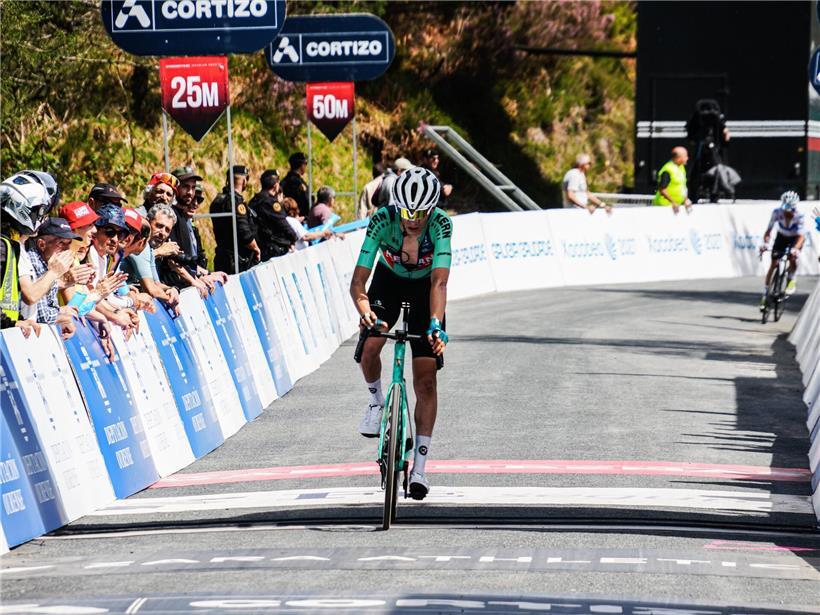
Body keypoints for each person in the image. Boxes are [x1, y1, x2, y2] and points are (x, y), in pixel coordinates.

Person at [349, 167, 452, 501]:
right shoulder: (382, 219)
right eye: (407, 212)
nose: (412, 220)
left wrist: (435, 325)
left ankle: (419, 469)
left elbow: (439, 281)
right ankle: (377, 401)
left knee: (425, 380)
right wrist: (365, 313)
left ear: (431, 209)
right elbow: (358, 282)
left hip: (425, 288)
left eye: (420, 213)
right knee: (371, 346)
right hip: (389, 282)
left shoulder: (441, 225)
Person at [163, 167, 220, 296]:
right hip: (175, 289)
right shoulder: (169, 215)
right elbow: (172, 261)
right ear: (174, 188)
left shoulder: (183, 216)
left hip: (188, 286)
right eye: (185, 187)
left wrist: (205, 274)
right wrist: (194, 279)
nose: (190, 192)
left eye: (193, 188)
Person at [123, 204, 181, 313]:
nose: (162, 233)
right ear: (148, 221)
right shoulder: (140, 245)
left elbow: (156, 284)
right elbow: (151, 289)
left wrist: (171, 289)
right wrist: (171, 300)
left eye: (167, 230)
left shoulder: (148, 248)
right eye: (159, 226)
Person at [210, 165, 261, 274]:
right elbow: (243, 231)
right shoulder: (235, 201)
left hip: (223, 257)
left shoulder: (218, 200)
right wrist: (256, 248)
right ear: (244, 180)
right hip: (238, 260)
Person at [760, 191, 806, 306]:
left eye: (789, 209)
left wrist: (795, 248)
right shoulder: (776, 213)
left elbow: (801, 236)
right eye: (785, 208)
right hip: (782, 236)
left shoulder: (799, 216)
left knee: (793, 258)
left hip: (795, 238)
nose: (787, 212)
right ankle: (765, 293)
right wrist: (766, 243)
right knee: (774, 263)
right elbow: (768, 231)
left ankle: (791, 278)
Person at [249, 169, 297, 261]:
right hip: (273, 249)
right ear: (276, 185)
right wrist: (293, 238)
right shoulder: (270, 202)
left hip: (260, 247)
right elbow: (283, 224)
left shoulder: (254, 200)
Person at [652, 146, 692, 213]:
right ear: (679, 158)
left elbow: (681, 187)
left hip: (675, 207)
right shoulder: (668, 169)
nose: (687, 158)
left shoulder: (681, 168)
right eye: (685, 156)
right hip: (663, 207)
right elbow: (662, 189)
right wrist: (673, 202)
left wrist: (685, 199)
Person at [281, 152, 310, 218]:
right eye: (305, 164)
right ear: (302, 165)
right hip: (300, 217)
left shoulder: (284, 181)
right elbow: (307, 201)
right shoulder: (298, 183)